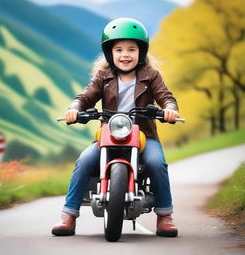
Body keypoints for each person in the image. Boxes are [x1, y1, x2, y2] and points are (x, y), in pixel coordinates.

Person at [52, 18, 179, 237]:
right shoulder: (103, 77)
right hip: (109, 134)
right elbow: (85, 96)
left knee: (157, 163)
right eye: (118, 49)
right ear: (110, 53)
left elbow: (165, 97)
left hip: (143, 136)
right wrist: (75, 108)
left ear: (141, 51)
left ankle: (165, 216)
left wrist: (169, 109)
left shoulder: (152, 76)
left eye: (132, 49)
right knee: (84, 161)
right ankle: (68, 215)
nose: (125, 54)